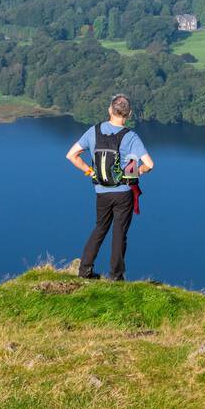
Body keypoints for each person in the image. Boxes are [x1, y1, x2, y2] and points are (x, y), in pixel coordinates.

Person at [65, 94, 154, 281]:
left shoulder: (94, 131)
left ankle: (85, 271)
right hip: (123, 193)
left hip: (101, 192)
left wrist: (90, 172)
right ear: (128, 114)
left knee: (100, 229)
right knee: (119, 233)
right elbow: (150, 164)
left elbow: (71, 155)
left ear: (109, 110)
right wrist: (137, 171)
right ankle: (116, 277)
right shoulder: (130, 136)